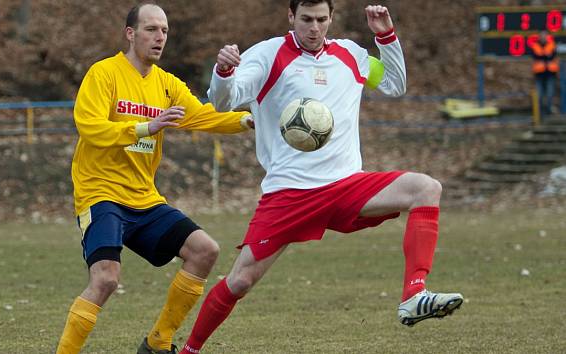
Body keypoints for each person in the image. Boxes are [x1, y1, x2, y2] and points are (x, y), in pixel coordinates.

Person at [180, 1, 463, 352]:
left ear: (331, 19)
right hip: (290, 193)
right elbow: (224, 102)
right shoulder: (267, 55)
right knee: (240, 280)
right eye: (306, 20)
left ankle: (414, 294)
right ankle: (190, 349)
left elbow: (394, 84)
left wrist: (385, 36)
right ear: (291, 17)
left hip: (347, 185)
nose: (314, 28)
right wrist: (223, 72)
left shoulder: (351, 55)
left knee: (426, 188)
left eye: (321, 20)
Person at [54, 2, 253, 354]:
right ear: (130, 34)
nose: (159, 37)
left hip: (144, 199)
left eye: (164, 30)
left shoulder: (167, 84)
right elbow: (90, 127)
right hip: (100, 194)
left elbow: (202, 116)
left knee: (204, 250)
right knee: (105, 278)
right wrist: (148, 126)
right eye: (151, 29)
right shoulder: (104, 74)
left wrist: (247, 121)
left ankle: (158, 342)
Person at [531, 31, 559, 117]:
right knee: (539, 94)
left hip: (550, 73)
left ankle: (548, 111)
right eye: (542, 36)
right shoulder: (535, 45)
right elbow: (536, 56)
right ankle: (539, 113)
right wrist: (546, 55)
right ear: (539, 37)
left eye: (545, 36)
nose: (543, 37)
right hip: (539, 74)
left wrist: (543, 56)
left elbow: (553, 55)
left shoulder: (552, 44)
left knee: (550, 93)